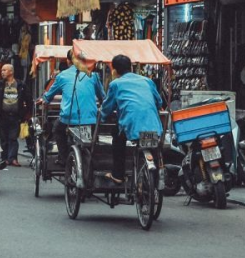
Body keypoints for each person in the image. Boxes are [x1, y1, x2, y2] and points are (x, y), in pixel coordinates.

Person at [100, 54, 164, 184]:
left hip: (130, 126)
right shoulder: (147, 81)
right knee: (153, 148)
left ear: (115, 70)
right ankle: (157, 180)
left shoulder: (115, 84)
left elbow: (106, 108)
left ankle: (118, 175)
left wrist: (102, 117)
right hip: (153, 126)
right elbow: (159, 102)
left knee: (117, 137)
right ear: (131, 67)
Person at [37, 50, 104, 166]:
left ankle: (63, 158)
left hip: (68, 118)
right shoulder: (93, 76)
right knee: (92, 139)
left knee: (57, 130)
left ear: (68, 61)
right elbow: (103, 97)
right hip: (90, 119)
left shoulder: (62, 76)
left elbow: (48, 96)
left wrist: (44, 100)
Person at [0, 63, 31, 167]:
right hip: (2, 115)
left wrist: (26, 112)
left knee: (13, 138)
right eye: (2, 70)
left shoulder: (20, 85)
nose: (2, 72)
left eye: (4, 70)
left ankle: (13, 158)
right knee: (3, 138)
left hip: (16, 116)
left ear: (11, 72)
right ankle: (4, 158)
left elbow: (28, 98)